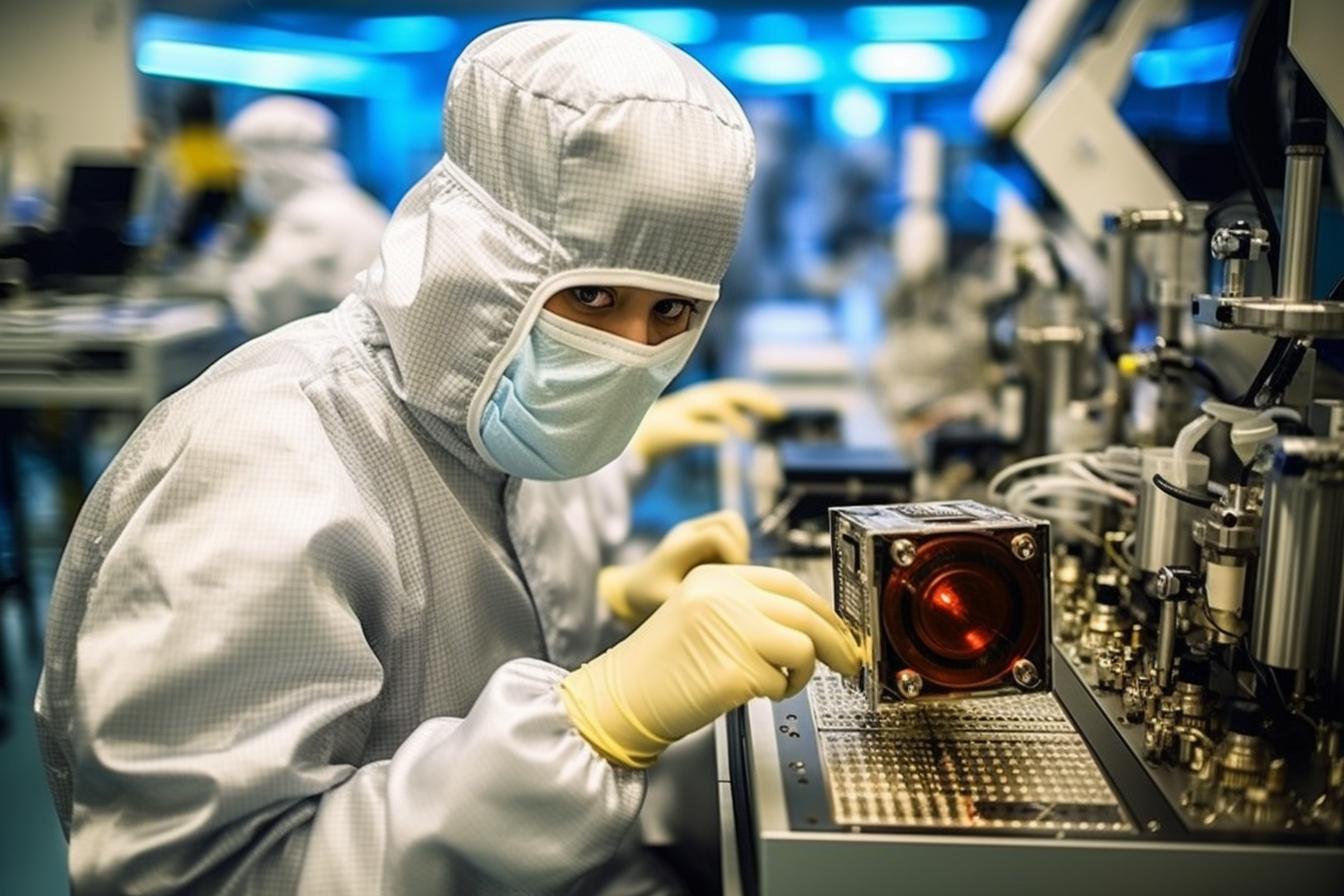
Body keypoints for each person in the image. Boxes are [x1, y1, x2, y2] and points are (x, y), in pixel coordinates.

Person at [35, 20, 859, 895]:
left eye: (673, 312)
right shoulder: (265, 462)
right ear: (484, 265)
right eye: (590, 295)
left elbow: (454, 656)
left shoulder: (485, 415)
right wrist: (597, 718)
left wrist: (611, 610)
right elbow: (201, 876)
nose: (629, 349)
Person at [224, 95, 388, 335]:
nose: (247, 178)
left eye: (248, 165)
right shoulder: (348, 202)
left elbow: (268, 305)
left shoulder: (309, 218)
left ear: (273, 166)